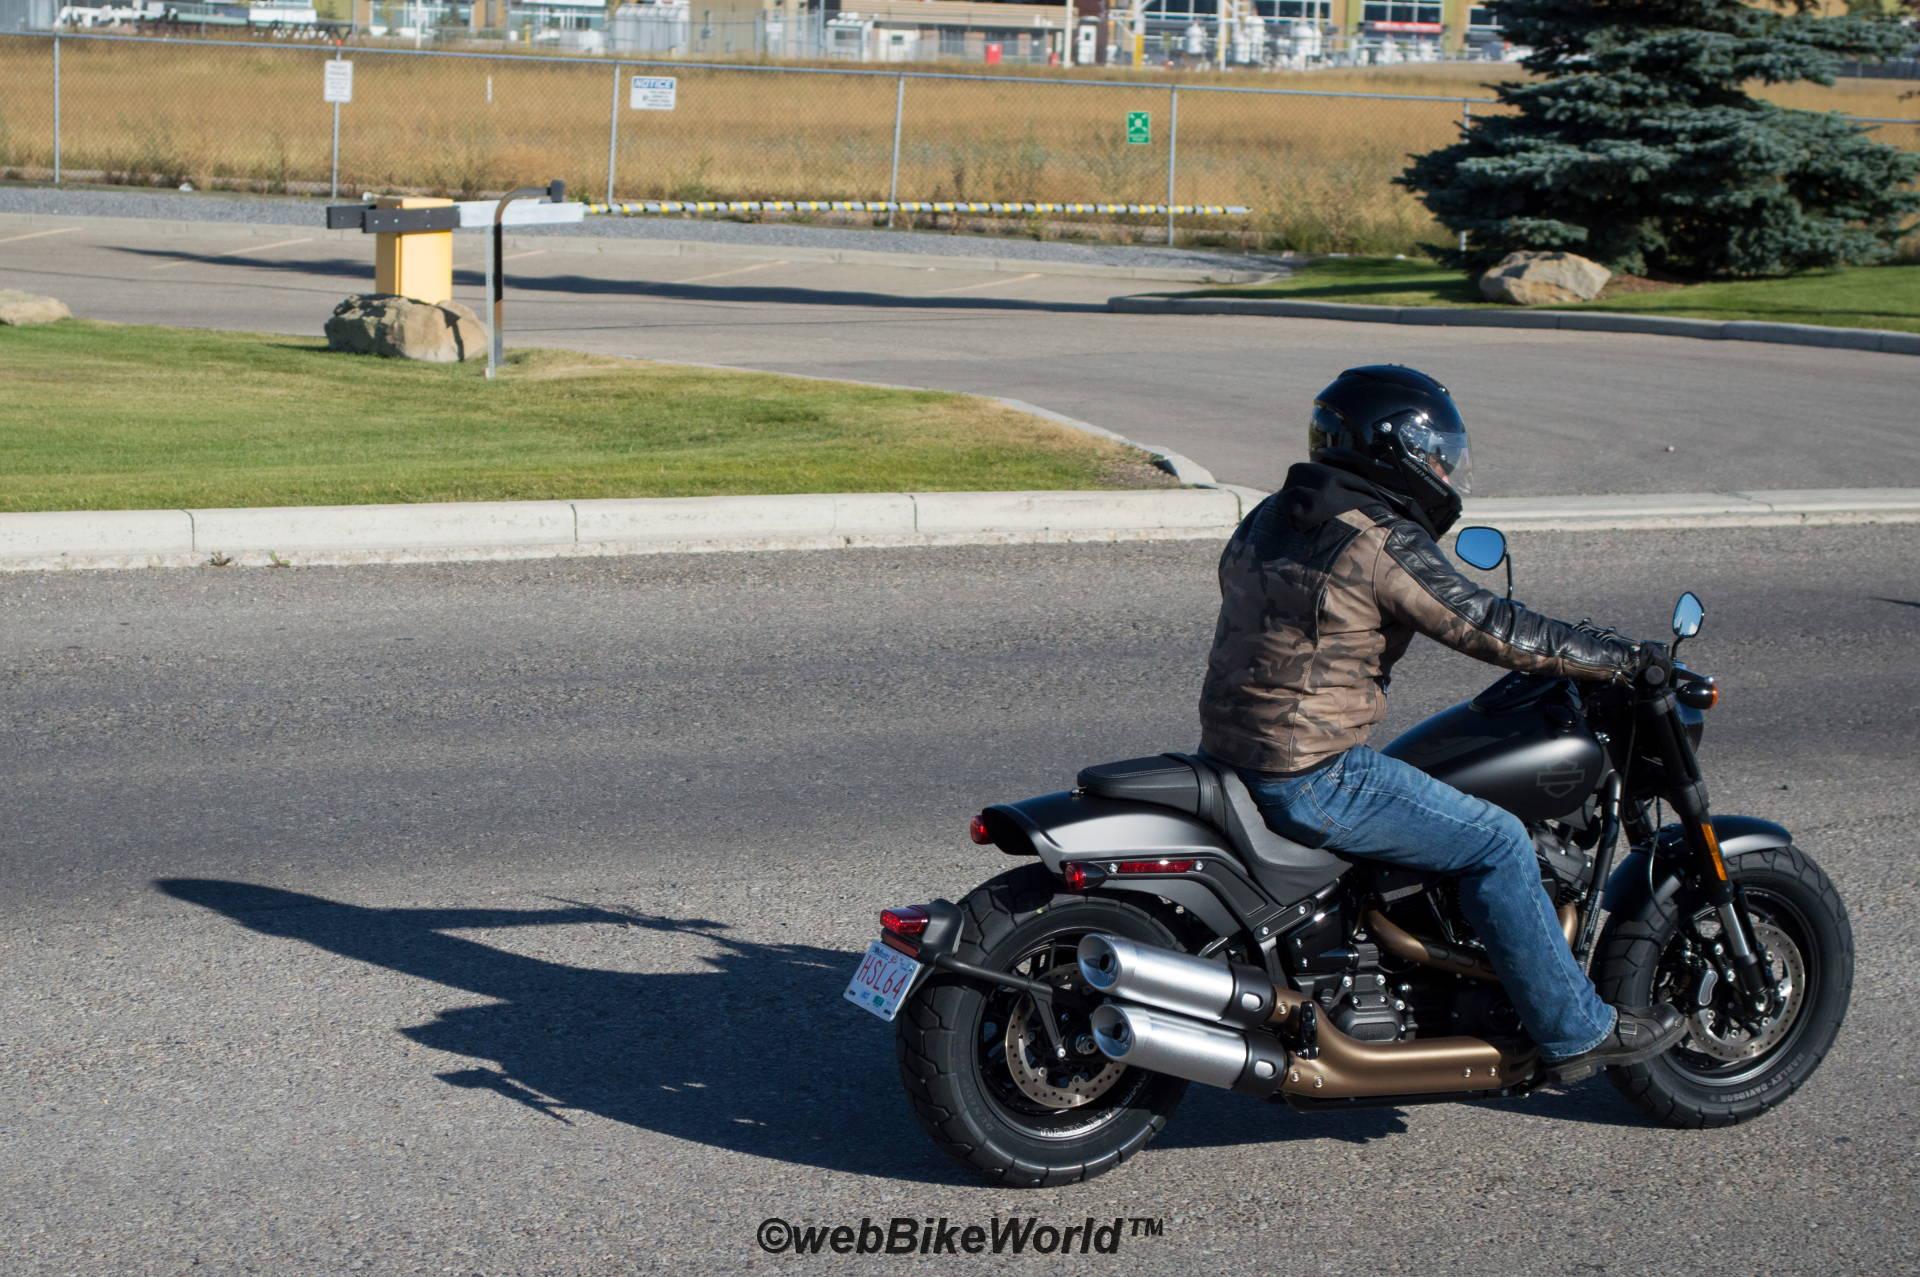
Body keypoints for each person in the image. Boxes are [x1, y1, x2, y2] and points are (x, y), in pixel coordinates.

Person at [1197, 364, 1686, 1081]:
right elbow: (1484, 624)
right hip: (1312, 771)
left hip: (1235, 748)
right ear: (1390, 450)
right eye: (1433, 454)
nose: (1442, 469)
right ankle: (1576, 1030)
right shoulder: (1377, 538)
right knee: (1497, 839)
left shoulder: (1273, 514)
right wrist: (1609, 656)